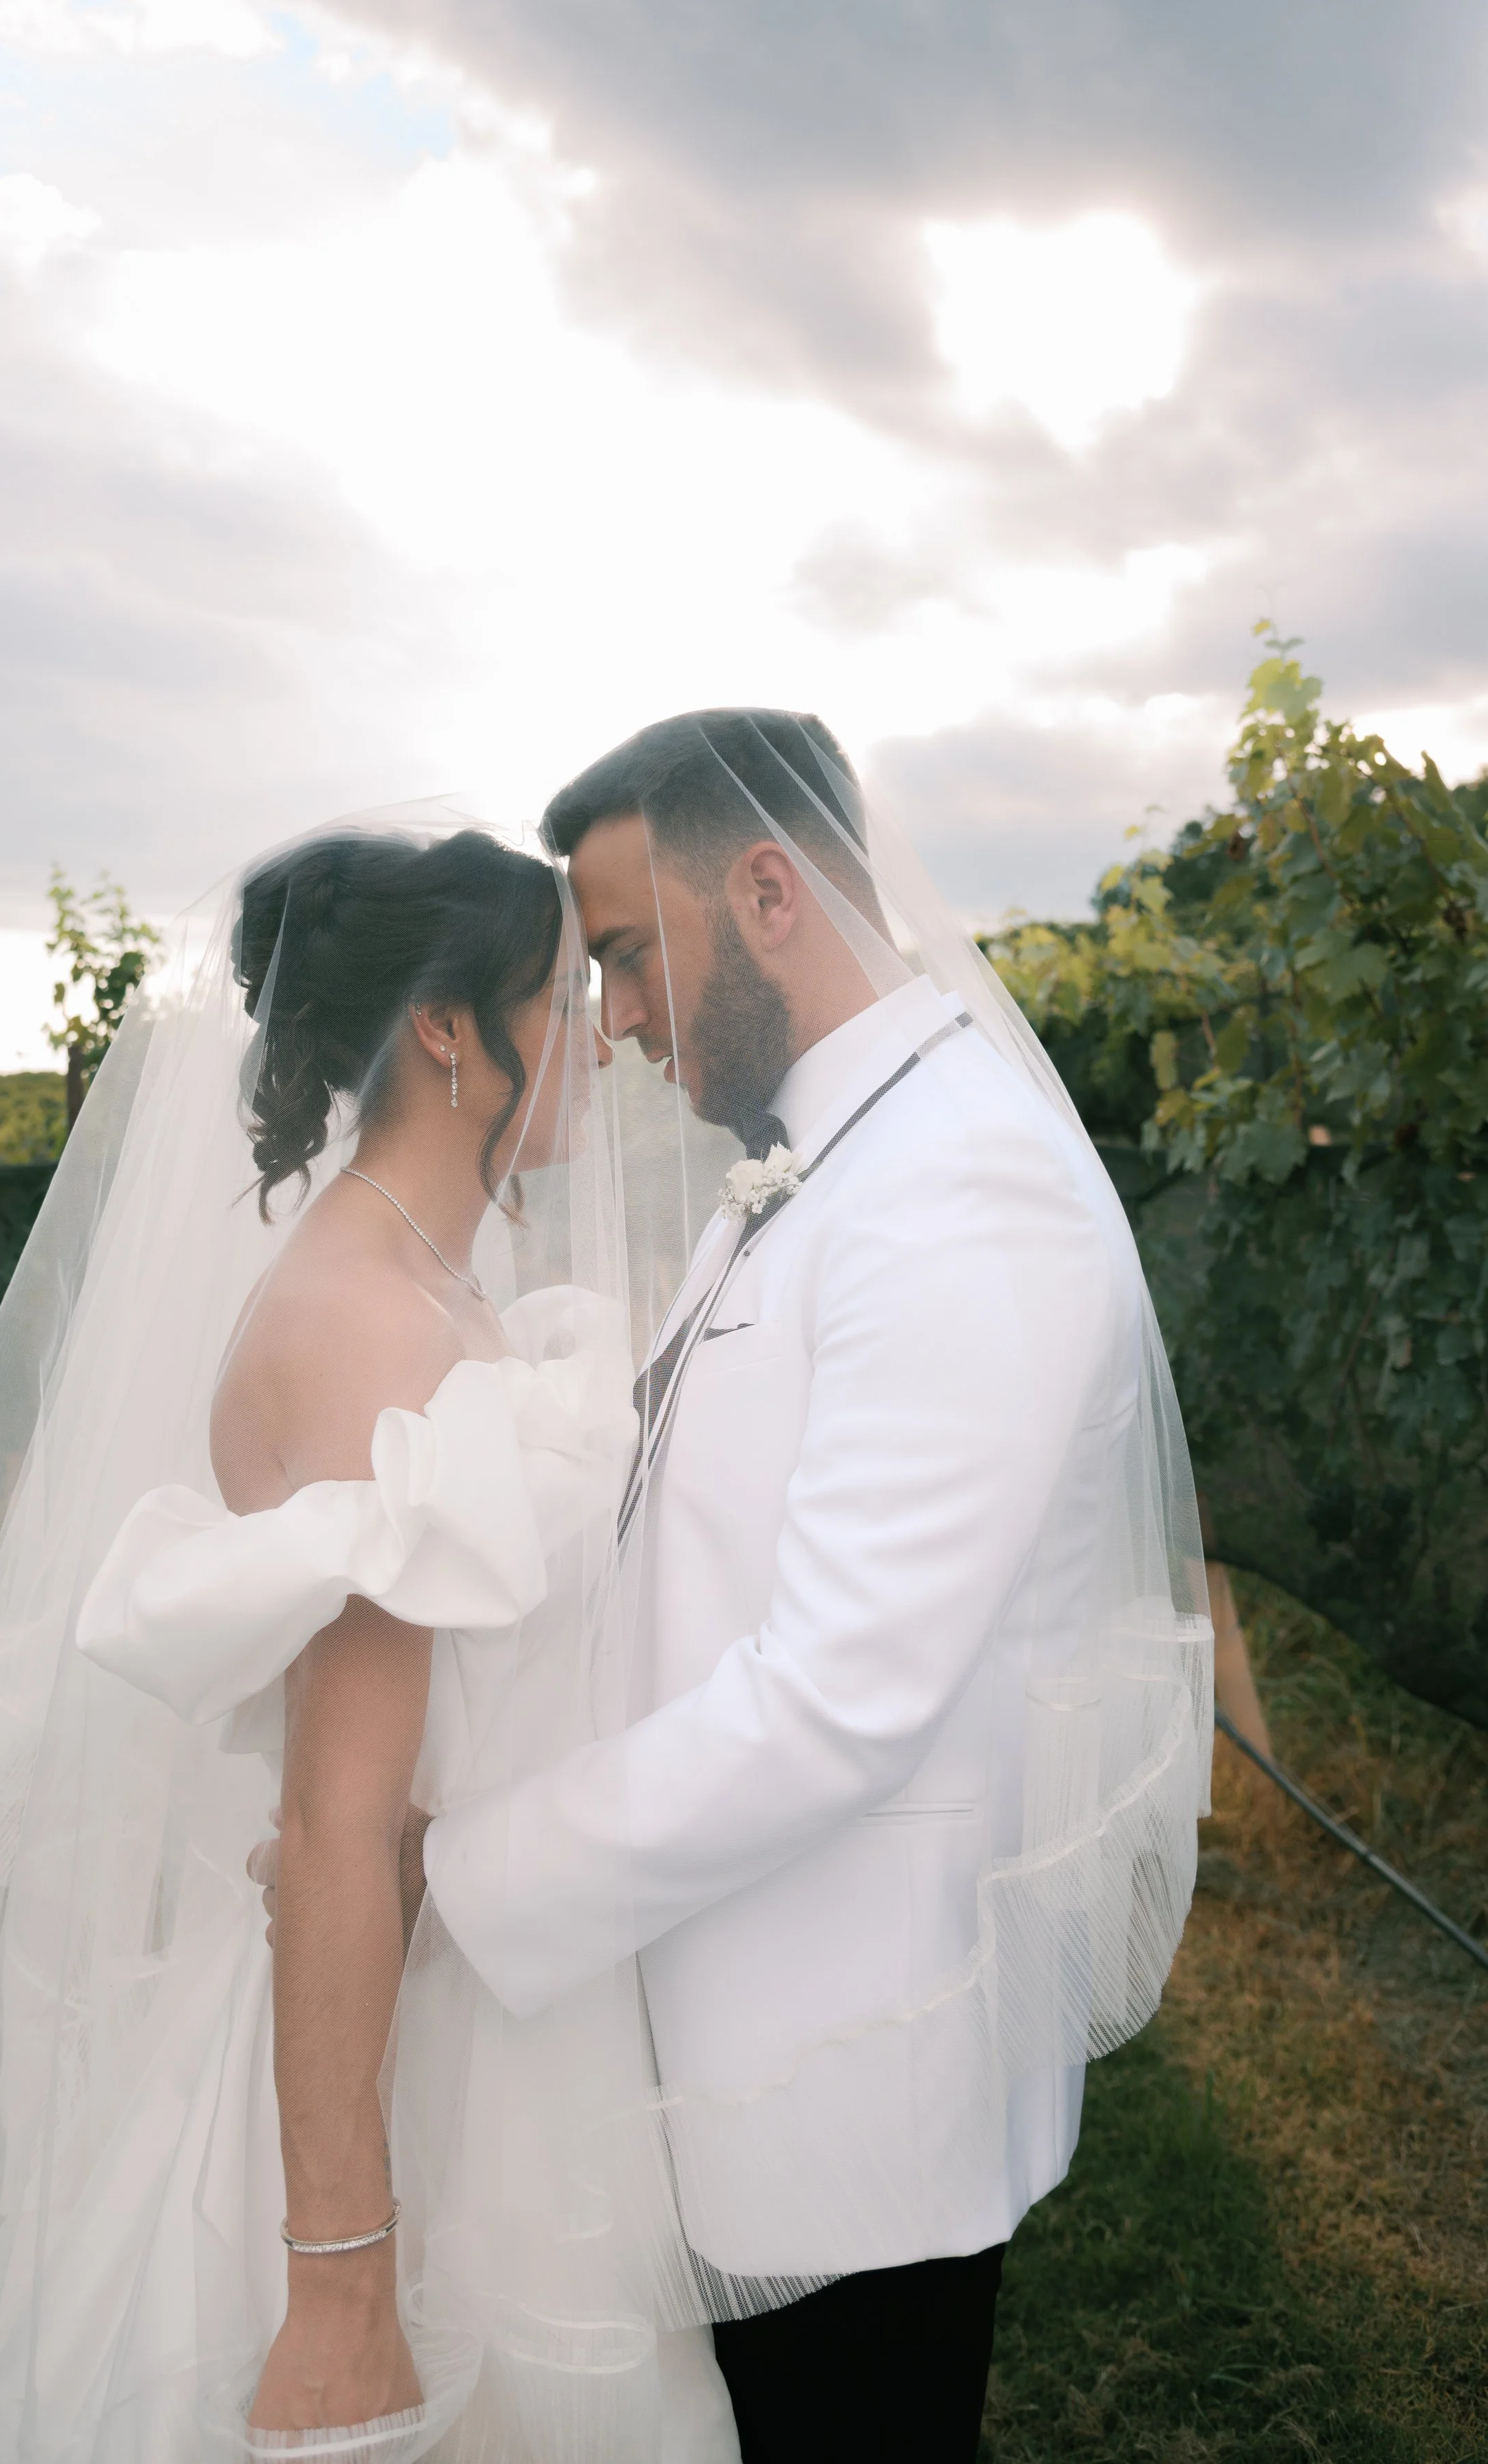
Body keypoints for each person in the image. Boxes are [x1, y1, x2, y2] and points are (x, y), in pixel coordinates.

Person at [0, 816, 741, 2461]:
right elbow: (330, 1825)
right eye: (559, 998)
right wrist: (340, 2278)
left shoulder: (436, 1281)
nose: (598, 1044)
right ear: (449, 1028)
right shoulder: (368, 1324)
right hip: (404, 2067)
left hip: (492, 1989)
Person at [399, 711, 1215, 2461]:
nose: (610, 1022)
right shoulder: (817, 1159)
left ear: (763, 889)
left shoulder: (960, 1182)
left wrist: (463, 1880)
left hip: (842, 2086)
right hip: (728, 2024)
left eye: (624, 955)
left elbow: (842, 1691)